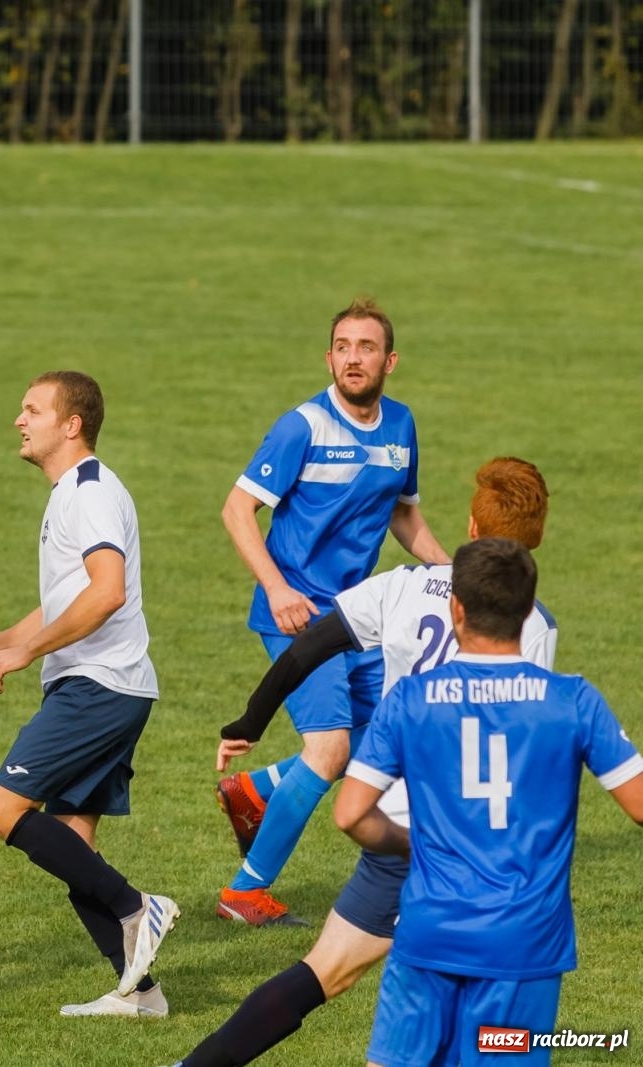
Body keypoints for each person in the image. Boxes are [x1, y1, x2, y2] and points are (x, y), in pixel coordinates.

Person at [172, 457, 555, 1067]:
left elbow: (310, 646)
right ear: (535, 542)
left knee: (325, 971)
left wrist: (251, 721)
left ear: (472, 527)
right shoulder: (533, 627)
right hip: (473, 855)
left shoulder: (403, 585)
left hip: (393, 834)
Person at [334, 538, 643, 1067]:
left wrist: (414, 842)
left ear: (457, 606)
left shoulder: (412, 700)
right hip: (525, 946)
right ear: (527, 610)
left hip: (429, 932)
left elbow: (351, 814)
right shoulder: (573, 701)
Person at [0, 371, 176, 1018]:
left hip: (97, 685)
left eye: (32, 409)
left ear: (72, 424)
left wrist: (26, 652)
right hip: (110, 684)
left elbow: (107, 590)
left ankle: (136, 907)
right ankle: (139, 992)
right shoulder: (73, 492)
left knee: (3, 808)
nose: (19, 419)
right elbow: (62, 603)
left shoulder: (88, 492)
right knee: (72, 845)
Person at [216, 297, 449, 926]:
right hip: (295, 617)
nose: (353, 357)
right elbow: (237, 510)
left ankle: (256, 790)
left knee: (384, 745)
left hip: (359, 618)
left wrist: (457, 580)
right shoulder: (301, 427)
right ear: (329, 357)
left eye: (366, 347)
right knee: (328, 751)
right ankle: (244, 893)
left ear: (389, 360)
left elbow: (404, 514)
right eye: (343, 346)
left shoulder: (401, 426)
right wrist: (277, 589)